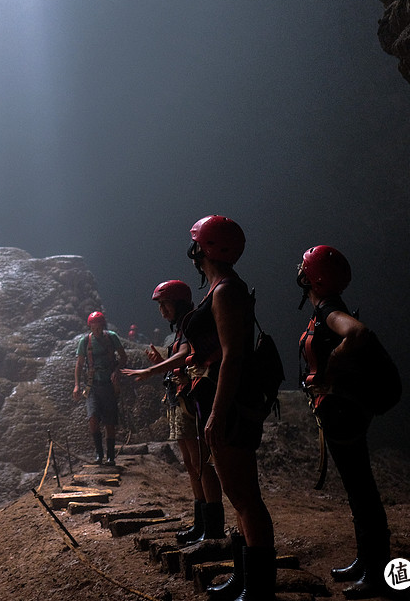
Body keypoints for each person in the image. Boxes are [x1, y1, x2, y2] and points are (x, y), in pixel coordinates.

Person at [126, 215, 276, 600]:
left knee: (245, 497)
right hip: (221, 401)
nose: (191, 251)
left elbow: (232, 357)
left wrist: (217, 413)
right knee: (238, 495)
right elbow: (205, 351)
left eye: (195, 244)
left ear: (203, 249)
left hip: (229, 404)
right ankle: (245, 579)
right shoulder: (219, 289)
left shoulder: (225, 291)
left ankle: (258, 588)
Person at [297, 245, 391, 599]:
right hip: (343, 410)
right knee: (357, 489)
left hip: (344, 412)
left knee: (362, 490)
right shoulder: (325, 309)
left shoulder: (330, 311)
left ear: (314, 278)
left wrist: (332, 364)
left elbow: (358, 333)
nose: (299, 272)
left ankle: (377, 573)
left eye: (305, 268)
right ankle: (365, 561)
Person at [126, 279, 226, 546]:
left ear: (179, 302)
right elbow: (183, 358)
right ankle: (201, 523)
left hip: (191, 400)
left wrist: (151, 370)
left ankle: (212, 528)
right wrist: (162, 364)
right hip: (180, 399)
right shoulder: (183, 326)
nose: (162, 310)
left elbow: (185, 355)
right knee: (192, 464)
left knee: (201, 463)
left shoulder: (190, 323)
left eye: (165, 303)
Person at [73, 311, 128, 465]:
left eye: (98, 327)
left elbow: (123, 357)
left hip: (109, 385)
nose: (96, 330)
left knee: (110, 422)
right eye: (93, 327)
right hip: (92, 386)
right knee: (92, 418)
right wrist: (77, 385)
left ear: (102, 325)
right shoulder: (85, 341)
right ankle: (99, 454)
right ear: (89, 326)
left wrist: (117, 371)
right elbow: (79, 364)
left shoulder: (111, 337)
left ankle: (110, 456)